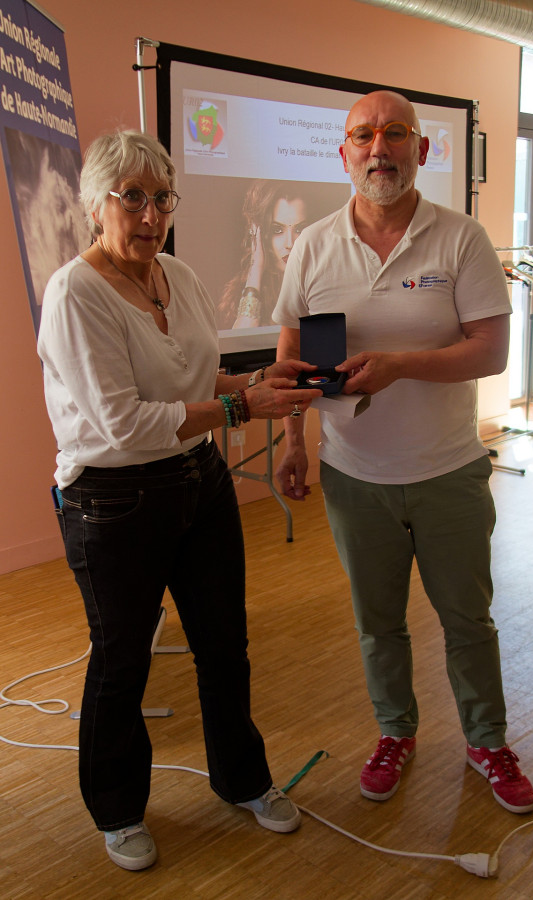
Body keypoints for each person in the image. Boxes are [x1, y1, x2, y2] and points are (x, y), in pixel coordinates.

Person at [37, 130, 321, 872]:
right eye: (132, 196)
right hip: (113, 500)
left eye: (162, 198)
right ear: (97, 203)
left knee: (226, 646)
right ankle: (118, 810)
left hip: (199, 481)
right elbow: (123, 420)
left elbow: (201, 377)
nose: (150, 213)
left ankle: (245, 782)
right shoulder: (75, 292)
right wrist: (239, 411)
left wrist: (260, 381)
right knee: (122, 661)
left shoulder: (182, 277)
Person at [273, 91, 533, 816]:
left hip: (448, 471)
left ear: (423, 150)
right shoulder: (314, 245)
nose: (378, 148)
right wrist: (294, 439)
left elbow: (491, 351)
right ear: (344, 152)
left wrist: (398, 365)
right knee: (377, 623)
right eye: (363, 136)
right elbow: (293, 349)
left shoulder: (461, 240)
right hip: (353, 477)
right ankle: (395, 733)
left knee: (467, 620)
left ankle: (487, 740)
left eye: (395, 135)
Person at [217, 180, 309, 329]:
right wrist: (256, 269)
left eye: (299, 229)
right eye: (277, 230)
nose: (290, 243)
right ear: (260, 234)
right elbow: (240, 341)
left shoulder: (321, 283)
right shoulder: (237, 295)